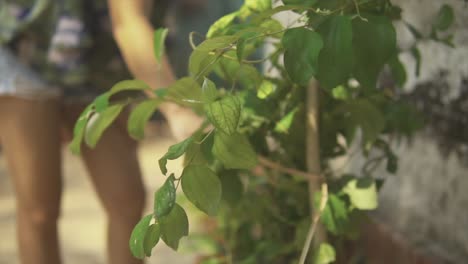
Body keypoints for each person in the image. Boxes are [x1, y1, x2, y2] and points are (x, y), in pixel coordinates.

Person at [0, 0, 203, 263]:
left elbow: (130, 19)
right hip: (23, 45)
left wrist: (177, 108)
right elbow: (128, 24)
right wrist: (177, 110)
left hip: (98, 59)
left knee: (127, 201)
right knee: (40, 208)